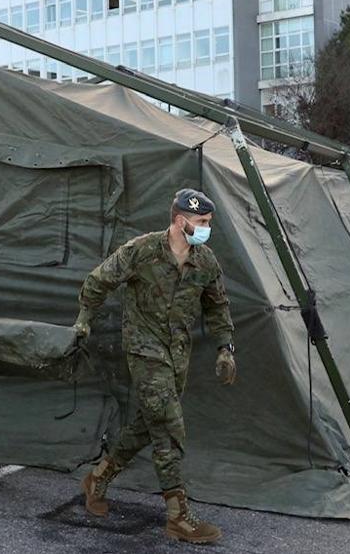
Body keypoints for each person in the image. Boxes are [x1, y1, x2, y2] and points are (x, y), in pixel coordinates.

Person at [74, 189, 236, 545]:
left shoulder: (205, 261)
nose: (208, 229)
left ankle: (99, 477)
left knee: (148, 424)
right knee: (168, 424)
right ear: (181, 221)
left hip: (178, 355)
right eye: (203, 223)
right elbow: (98, 281)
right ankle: (179, 516)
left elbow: (218, 308)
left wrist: (225, 349)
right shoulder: (141, 250)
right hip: (144, 350)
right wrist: (84, 320)